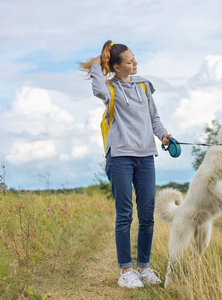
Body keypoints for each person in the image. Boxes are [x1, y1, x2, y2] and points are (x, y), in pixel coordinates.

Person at [80, 40, 171, 288]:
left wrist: (163, 134)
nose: (135, 64)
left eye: (135, 59)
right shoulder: (110, 89)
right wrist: (97, 66)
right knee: (125, 215)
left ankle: (144, 267)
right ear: (117, 67)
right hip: (120, 155)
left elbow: (154, 118)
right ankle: (125, 271)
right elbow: (97, 89)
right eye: (129, 62)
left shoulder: (143, 86)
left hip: (146, 156)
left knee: (147, 216)